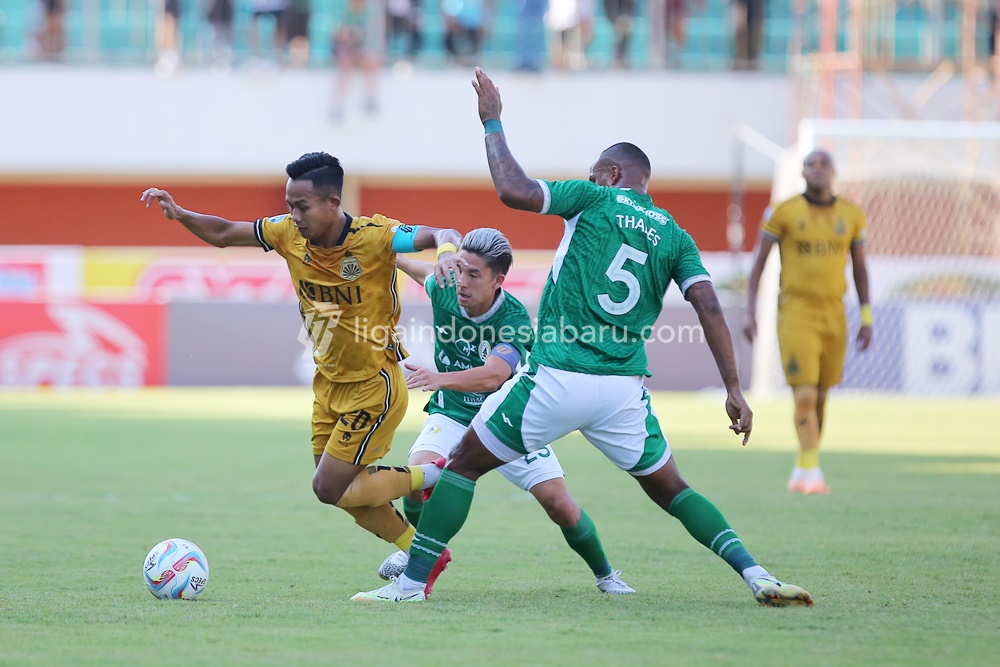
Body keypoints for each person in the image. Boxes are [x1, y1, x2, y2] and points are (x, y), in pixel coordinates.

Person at [351, 68, 815, 607]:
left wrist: (492, 121)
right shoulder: (675, 235)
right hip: (622, 390)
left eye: (596, 172)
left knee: (461, 466)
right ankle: (758, 576)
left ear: (612, 174)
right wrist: (734, 387)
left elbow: (513, 190)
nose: (591, 178)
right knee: (674, 490)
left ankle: (410, 586)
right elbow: (708, 305)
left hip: (558, 375)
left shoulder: (593, 198)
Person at [140, 152, 462, 591]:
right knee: (342, 492)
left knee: (328, 487)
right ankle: (425, 553)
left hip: (373, 385)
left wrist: (447, 254)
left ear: (333, 202)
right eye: (289, 205)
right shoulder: (287, 233)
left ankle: (434, 473)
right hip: (327, 383)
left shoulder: (376, 237)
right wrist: (181, 214)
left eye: (302, 206)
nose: (293, 215)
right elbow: (224, 233)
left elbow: (444, 233)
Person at [375, 228, 634, 595]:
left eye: (473, 274)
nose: (461, 282)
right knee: (416, 477)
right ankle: (416, 553)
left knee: (559, 503)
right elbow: (424, 273)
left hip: (507, 419)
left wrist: (439, 378)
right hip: (453, 414)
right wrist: (391, 257)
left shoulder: (513, 319)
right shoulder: (446, 288)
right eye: (459, 270)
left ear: (498, 280)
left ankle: (606, 575)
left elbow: (495, 375)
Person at [743, 149, 872, 495]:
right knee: (803, 393)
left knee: (821, 398)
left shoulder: (852, 214)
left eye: (823, 164)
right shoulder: (784, 212)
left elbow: (860, 268)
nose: (816, 169)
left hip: (835, 314)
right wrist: (750, 310)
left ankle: (804, 465)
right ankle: (813, 472)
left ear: (834, 171)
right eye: (809, 165)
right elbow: (758, 264)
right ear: (801, 173)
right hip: (797, 313)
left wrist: (867, 316)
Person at [330, 0, 381, 121]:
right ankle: (337, 105)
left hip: (363, 48)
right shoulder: (343, 9)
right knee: (346, 69)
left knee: (371, 63)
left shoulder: (371, 10)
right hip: (347, 48)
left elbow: (373, 33)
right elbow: (337, 32)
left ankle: (371, 98)